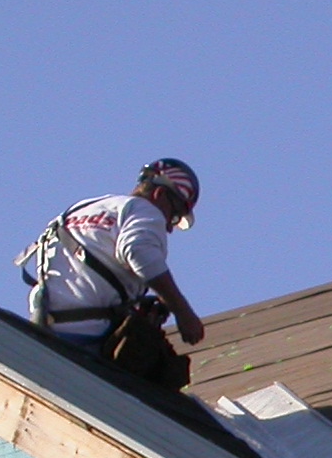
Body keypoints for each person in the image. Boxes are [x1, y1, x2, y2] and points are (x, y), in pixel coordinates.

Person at [18, 160, 206, 388]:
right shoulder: (145, 211)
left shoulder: (85, 207)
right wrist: (183, 312)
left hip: (46, 331)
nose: (168, 227)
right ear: (159, 195)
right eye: (174, 216)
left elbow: (86, 277)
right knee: (163, 385)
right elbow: (139, 252)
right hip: (86, 341)